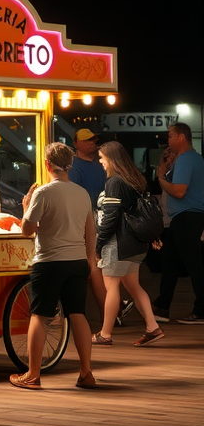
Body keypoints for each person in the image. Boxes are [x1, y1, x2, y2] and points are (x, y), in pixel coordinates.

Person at [9, 141, 97, 390]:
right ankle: (86, 372)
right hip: (77, 261)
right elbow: (90, 232)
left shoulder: (43, 193)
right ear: (70, 165)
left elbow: (28, 230)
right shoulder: (82, 193)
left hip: (48, 262)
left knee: (40, 315)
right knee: (77, 314)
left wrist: (26, 208)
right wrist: (89, 260)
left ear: (47, 164)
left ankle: (33, 374)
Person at [93, 141, 164, 347]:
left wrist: (99, 244)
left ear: (111, 159)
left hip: (118, 243)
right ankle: (152, 327)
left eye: (102, 158)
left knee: (112, 286)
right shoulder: (136, 179)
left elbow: (110, 218)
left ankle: (105, 333)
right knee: (133, 285)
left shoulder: (114, 182)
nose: (100, 162)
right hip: (136, 243)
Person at [69, 128, 134, 326]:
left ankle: (111, 310)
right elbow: (76, 196)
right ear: (76, 143)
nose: (92, 143)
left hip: (102, 216)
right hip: (89, 218)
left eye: (94, 139)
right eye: (87, 140)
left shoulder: (97, 164)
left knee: (101, 264)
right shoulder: (75, 166)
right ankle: (111, 310)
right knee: (98, 264)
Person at [152, 122, 204, 324]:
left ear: (182, 137)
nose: (168, 139)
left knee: (193, 264)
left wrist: (159, 178)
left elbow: (179, 191)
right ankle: (162, 306)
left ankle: (200, 309)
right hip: (184, 217)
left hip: (186, 216)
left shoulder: (187, 159)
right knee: (170, 262)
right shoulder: (190, 159)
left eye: (171, 135)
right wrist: (165, 169)